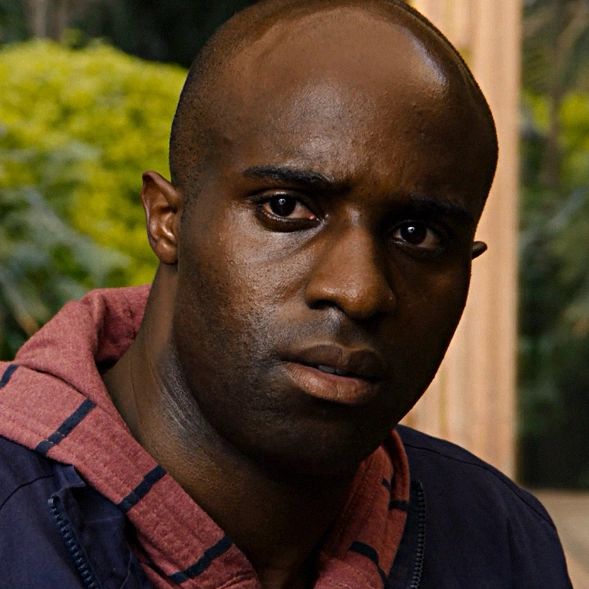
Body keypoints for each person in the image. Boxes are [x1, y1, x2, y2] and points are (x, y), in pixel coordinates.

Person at [0, 1, 573, 588]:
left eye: (417, 234)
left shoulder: (501, 541)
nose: (358, 291)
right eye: (286, 207)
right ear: (167, 221)